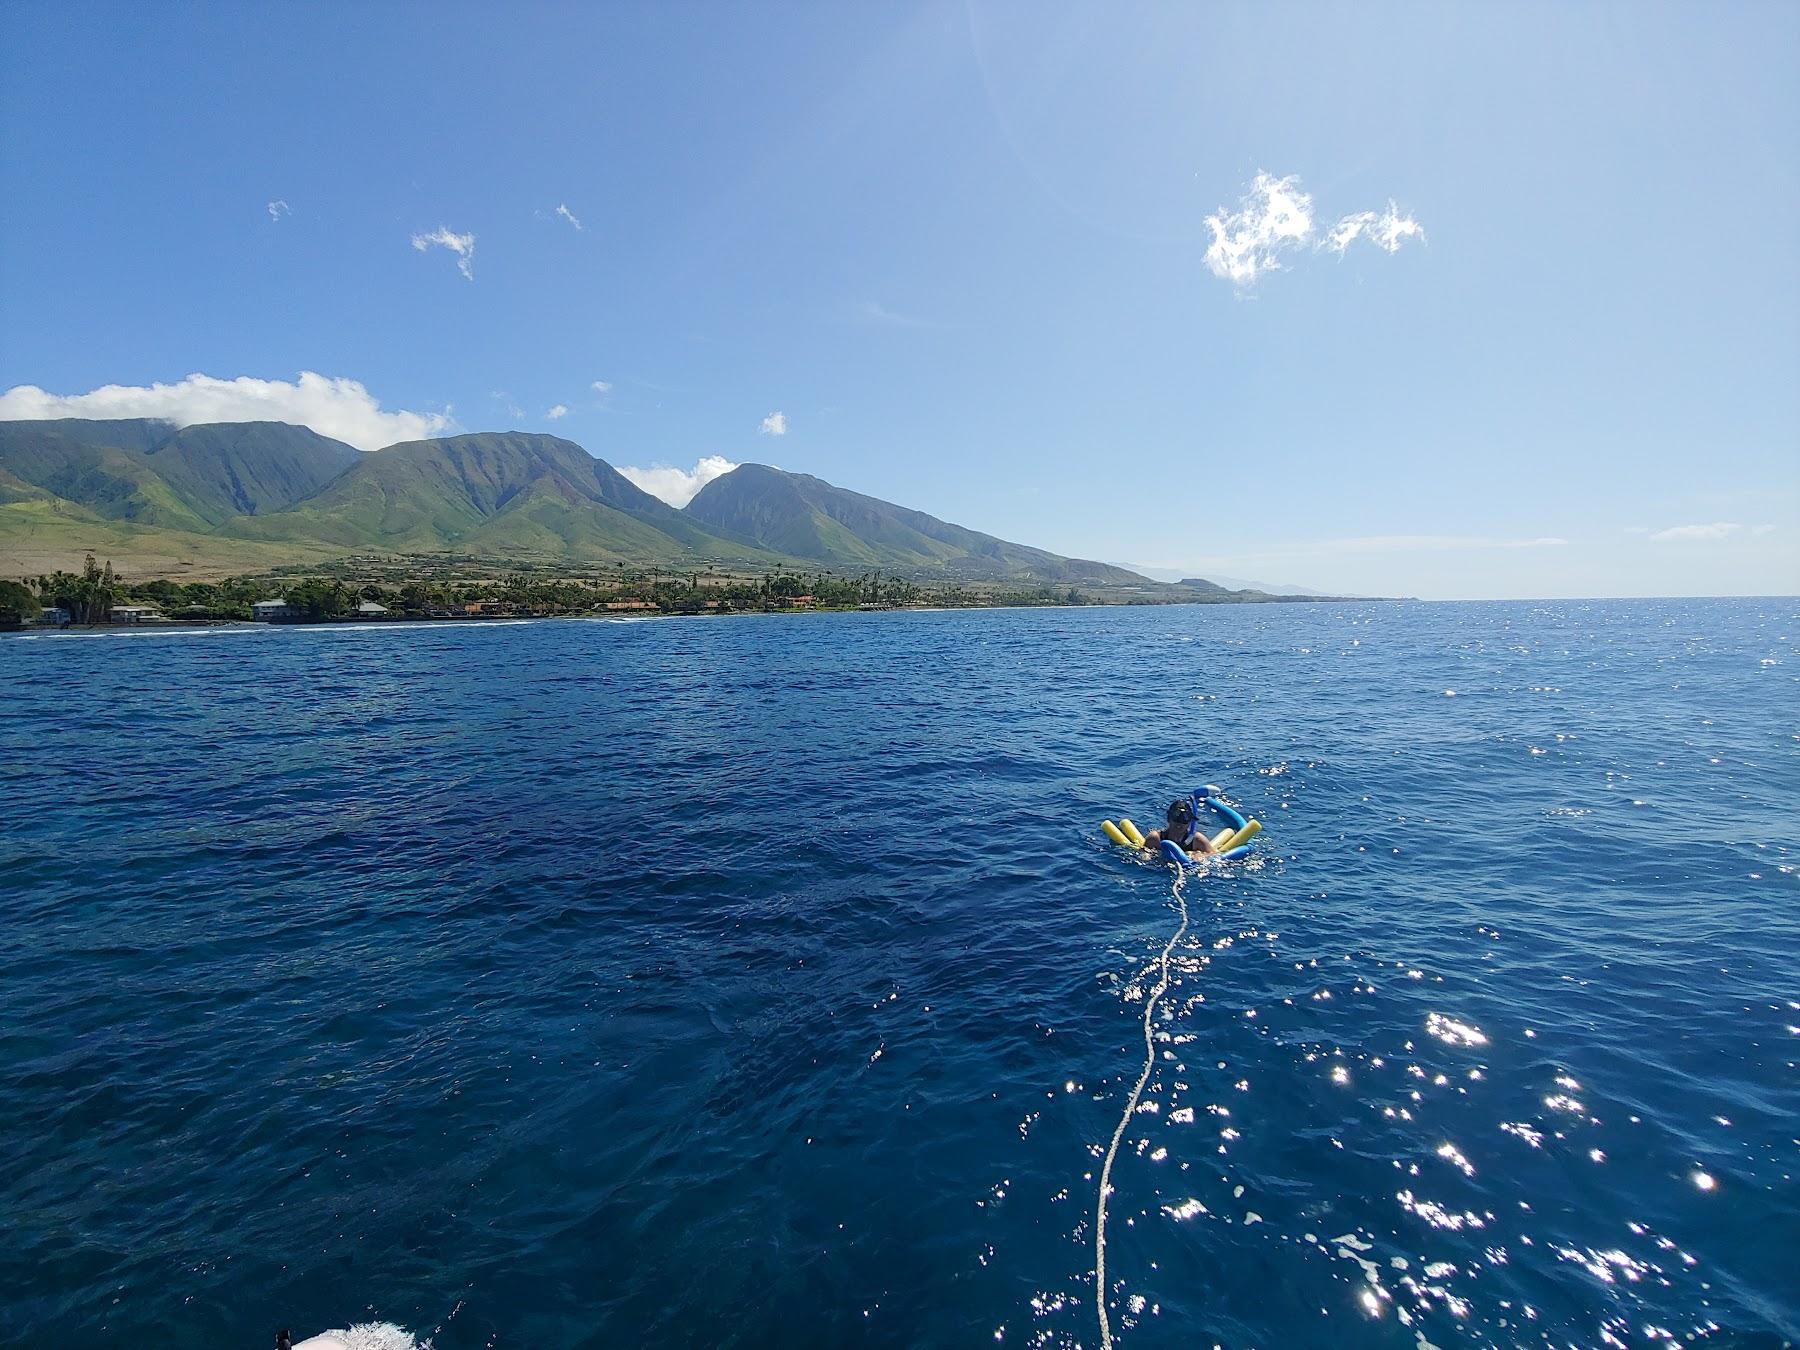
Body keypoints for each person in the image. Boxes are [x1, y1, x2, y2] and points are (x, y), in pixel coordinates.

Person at [1141, 797, 1218, 859]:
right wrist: (1146, 856)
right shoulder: (1155, 838)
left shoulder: (1197, 840)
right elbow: (1144, 854)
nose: (1179, 824)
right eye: (1176, 818)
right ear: (1168, 819)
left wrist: (1202, 855)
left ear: (1190, 822)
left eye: (1185, 820)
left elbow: (1214, 855)